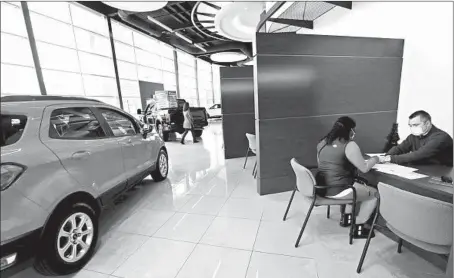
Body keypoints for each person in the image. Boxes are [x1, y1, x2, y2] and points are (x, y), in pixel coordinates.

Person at [316, 116, 379, 238]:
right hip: (339, 189)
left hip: (323, 187)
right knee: (374, 194)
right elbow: (364, 168)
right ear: (350, 130)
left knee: (357, 186)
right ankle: (359, 227)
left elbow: (323, 165)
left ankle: (346, 219)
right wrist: (376, 159)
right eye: (353, 130)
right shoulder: (349, 145)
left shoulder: (322, 143)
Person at [379, 110, 453, 166]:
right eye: (410, 125)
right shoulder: (414, 136)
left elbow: (419, 154)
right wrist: (386, 156)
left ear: (427, 124)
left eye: (415, 125)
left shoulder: (440, 137)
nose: (412, 128)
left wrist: (390, 159)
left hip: (442, 174)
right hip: (422, 170)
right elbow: (400, 148)